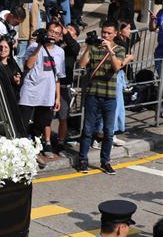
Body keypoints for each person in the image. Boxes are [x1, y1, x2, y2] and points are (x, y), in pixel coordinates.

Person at [77, 22, 127, 175]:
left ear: (115, 34)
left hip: (110, 96)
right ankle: (83, 160)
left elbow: (117, 67)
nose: (105, 35)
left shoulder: (120, 49)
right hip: (93, 94)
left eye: (109, 33)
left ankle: (105, 161)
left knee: (108, 131)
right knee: (88, 129)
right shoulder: (94, 47)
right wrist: (87, 46)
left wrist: (109, 50)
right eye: (104, 32)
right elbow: (82, 63)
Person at [19, 27, 65, 161]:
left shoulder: (60, 52)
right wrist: (39, 45)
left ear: (60, 36)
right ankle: (22, 148)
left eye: (57, 33)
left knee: (42, 123)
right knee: (23, 122)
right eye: (51, 31)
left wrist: (57, 97)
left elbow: (58, 76)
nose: (53, 35)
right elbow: (28, 65)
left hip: (47, 93)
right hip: (30, 91)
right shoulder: (33, 46)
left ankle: (35, 145)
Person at [53, 22, 82, 153]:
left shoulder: (73, 47)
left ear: (75, 36)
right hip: (49, 85)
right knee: (45, 116)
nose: (66, 31)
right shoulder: (55, 44)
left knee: (63, 117)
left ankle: (60, 141)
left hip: (64, 86)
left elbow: (74, 47)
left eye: (70, 30)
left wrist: (66, 35)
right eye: (66, 28)